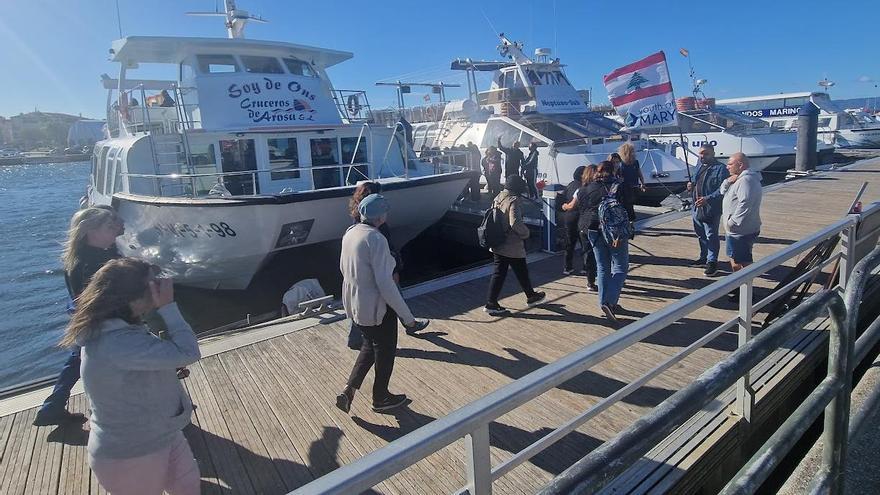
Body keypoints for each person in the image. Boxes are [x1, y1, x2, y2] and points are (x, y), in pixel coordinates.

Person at [60, 258, 201, 494]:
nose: (158, 287)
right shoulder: (116, 342)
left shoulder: (116, 330)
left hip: (162, 434)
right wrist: (168, 306)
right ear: (131, 298)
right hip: (130, 452)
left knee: (187, 487)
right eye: (152, 284)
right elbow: (188, 352)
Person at [336, 194, 430, 413]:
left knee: (370, 345)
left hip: (356, 305)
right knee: (386, 351)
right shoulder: (376, 239)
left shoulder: (350, 233)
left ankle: (348, 390)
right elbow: (386, 284)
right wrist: (408, 319)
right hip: (377, 308)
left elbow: (343, 268)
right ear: (380, 217)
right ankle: (381, 398)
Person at [33, 207, 124, 427]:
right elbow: (100, 297)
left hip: (84, 317)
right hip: (103, 321)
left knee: (76, 360)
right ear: (90, 231)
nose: (116, 232)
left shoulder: (80, 255)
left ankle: (52, 408)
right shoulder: (95, 263)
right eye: (109, 228)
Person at [344, 182, 404, 350]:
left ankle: (355, 338)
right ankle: (409, 322)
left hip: (357, 275)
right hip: (378, 272)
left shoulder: (355, 224)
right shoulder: (377, 229)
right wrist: (395, 269)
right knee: (392, 296)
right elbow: (387, 250)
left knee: (359, 306)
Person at [484, 175, 547, 315]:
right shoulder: (514, 200)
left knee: (507, 271)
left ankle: (529, 295)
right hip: (511, 243)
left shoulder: (498, 197)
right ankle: (492, 303)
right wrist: (526, 233)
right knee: (514, 270)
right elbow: (515, 223)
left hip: (498, 240)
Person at [577, 161, 629, 323]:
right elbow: (628, 207)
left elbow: (582, 206)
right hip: (614, 232)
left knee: (602, 267)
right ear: (613, 171)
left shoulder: (585, 188)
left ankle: (603, 302)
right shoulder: (618, 187)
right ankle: (610, 301)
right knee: (620, 266)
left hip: (591, 229)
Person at [721, 153, 762, 296]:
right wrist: (727, 181)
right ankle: (740, 286)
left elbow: (746, 203)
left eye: (730, 164)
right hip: (739, 229)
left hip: (739, 230)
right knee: (737, 258)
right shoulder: (740, 179)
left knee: (740, 261)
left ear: (740, 165)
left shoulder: (746, 181)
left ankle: (743, 291)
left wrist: (732, 222)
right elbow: (722, 191)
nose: (727, 166)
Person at [687, 144, 729, 276]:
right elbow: (694, 182)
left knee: (711, 234)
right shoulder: (698, 167)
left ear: (713, 154)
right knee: (700, 234)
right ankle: (703, 257)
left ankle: (712, 262)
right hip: (696, 206)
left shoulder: (721, 169)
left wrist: (708, 198)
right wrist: (690, 186)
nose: (702, 156)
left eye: (706, 154)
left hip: (711, 208)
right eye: (700, 153)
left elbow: (723, 190)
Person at [561, 165, 598, 290]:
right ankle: (585, 270)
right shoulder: (595, 188)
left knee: (569, 243)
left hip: (571, 218)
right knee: (586, 248)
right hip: (586, 220)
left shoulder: (574, 187)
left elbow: (569, 204)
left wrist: (563, 206)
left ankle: (567, 267)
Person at [617, 143, 647, 235]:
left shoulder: (634, 162)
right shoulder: (621, 163)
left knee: (629, 205)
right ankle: (629, 224)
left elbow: (639, 173)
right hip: (625, 187)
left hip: (632, 187)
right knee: (628, 206)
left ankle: (629, 224)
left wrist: (642, 183)